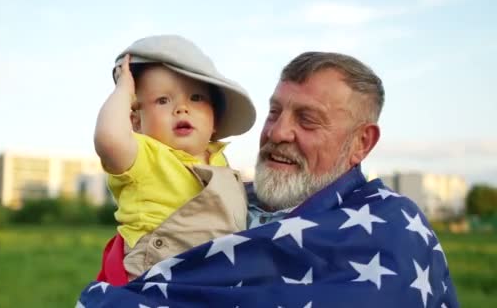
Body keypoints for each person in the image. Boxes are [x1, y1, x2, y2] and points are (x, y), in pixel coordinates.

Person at [80, 52, 459, 307]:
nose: (278, 132)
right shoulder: (211, 192)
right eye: (275, 112)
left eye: (307, 119)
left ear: (361, 142)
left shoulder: (393, 232)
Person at [94, 35, 256, 280]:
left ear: (215, 120)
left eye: (196, 98)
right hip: (156, 278)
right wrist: (124, 91)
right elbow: (109, 138)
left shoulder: (219, 162)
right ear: (136, 121)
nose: (182, 108)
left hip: (214, 277)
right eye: (162, 100)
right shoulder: (144, 154)